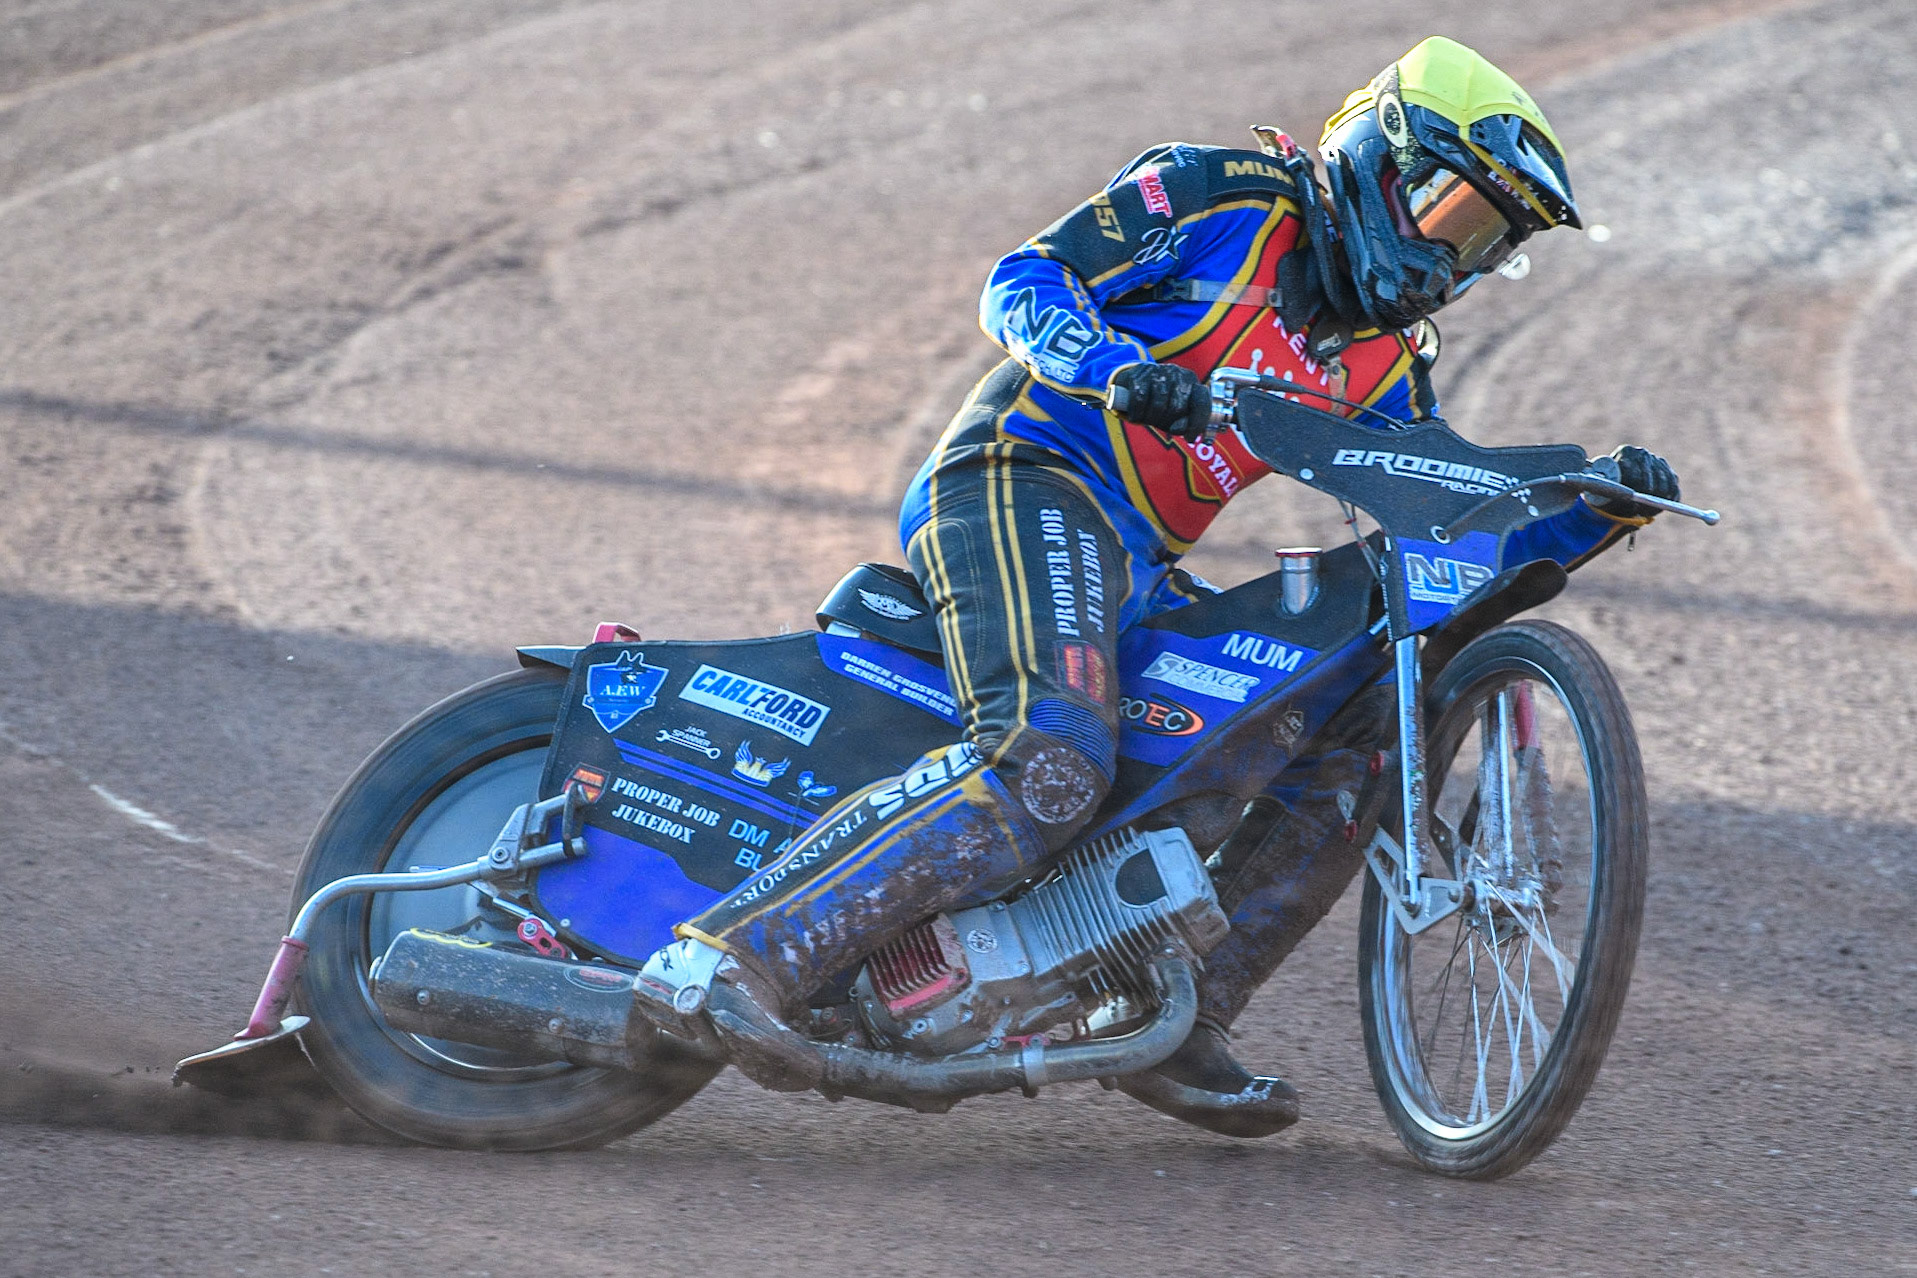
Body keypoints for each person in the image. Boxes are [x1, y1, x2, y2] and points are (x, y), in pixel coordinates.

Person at [635, 36, 1680, 1133]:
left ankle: (1182, 1016)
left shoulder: (1387, 358)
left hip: (1134, 562)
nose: (1454, 260)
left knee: (1358, 718)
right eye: (1455, 213)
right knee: (1051, 753)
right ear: (1381, 156)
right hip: (1019, 475)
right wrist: (1115, 370)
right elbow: (1023, 281)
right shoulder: (1221, 195)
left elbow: (1434, 511)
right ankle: (729, 957)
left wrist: (1586, 508)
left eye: (1490, 242)